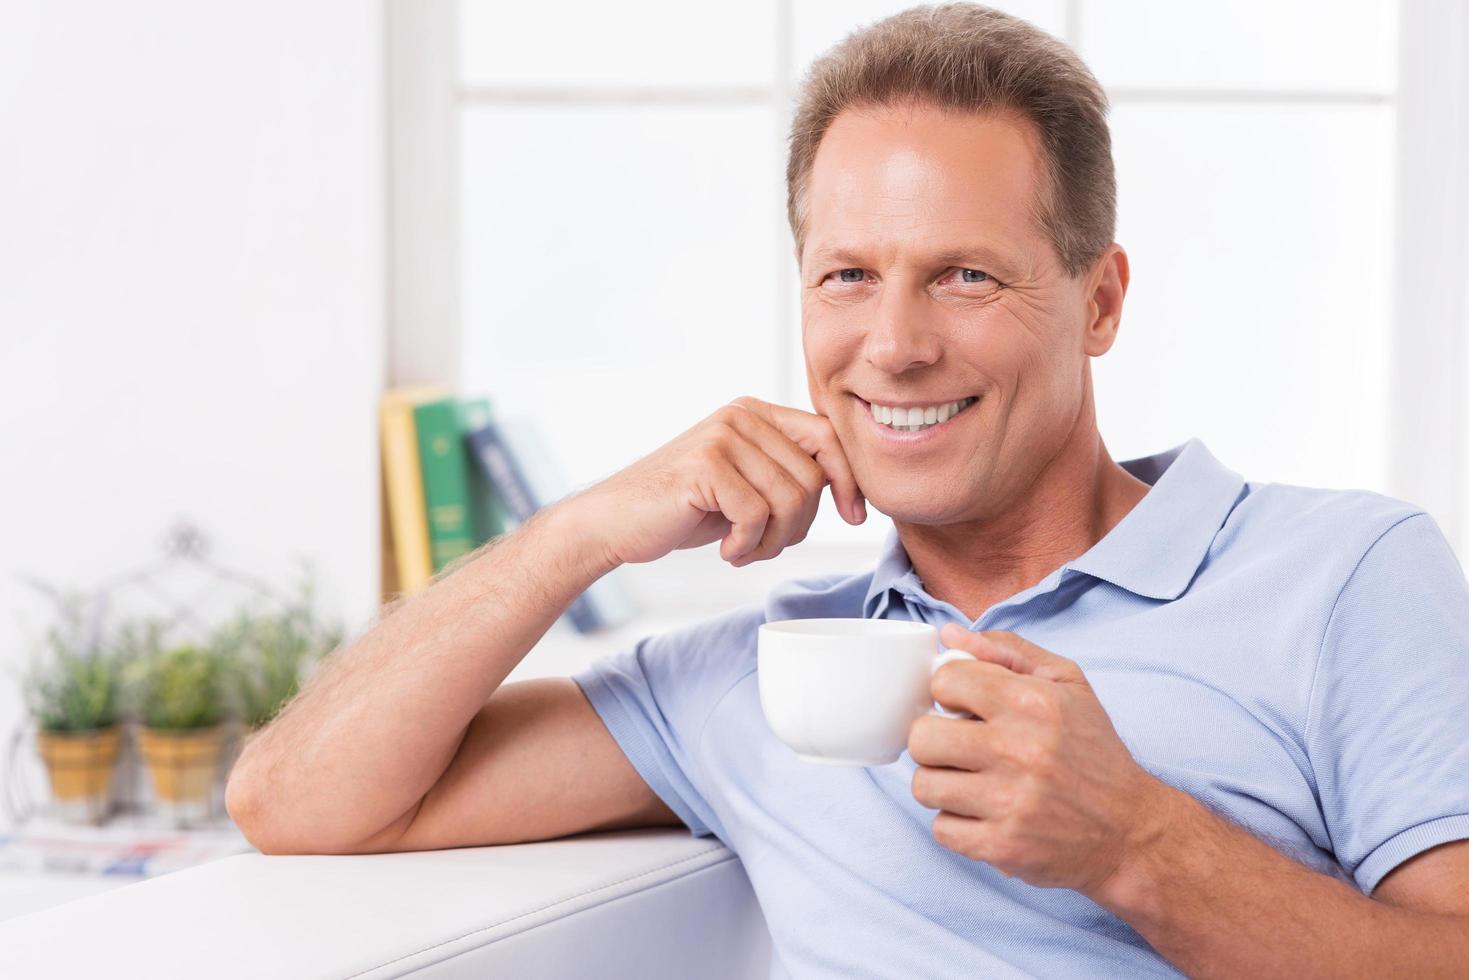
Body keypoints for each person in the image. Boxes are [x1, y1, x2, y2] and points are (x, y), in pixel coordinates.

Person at [225, 4, 1469, 976]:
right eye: (846, 276)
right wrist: (579, 530)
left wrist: (1135, 841)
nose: (893, 343)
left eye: (965, 276)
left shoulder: (1344, 572)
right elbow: (294, 798)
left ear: (1097, 302)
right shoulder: (770, 676)